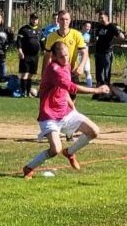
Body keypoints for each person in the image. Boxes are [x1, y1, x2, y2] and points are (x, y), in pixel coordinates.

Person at [21, 41, 109, 178]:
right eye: (62, 56)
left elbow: (63, 89)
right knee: (55, 149)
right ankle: (29, 168)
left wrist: (71, 106)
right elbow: (71, 87)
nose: (65, 58)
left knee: (94, 131)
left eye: (67, 55)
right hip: (49, 115)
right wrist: (96, 90)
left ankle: (70, 152)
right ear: (54, 57)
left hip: (66, 113)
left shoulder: (66, 65)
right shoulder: (54, 69)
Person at [42, 9, 88, 79]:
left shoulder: (77, 35)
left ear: (70, 20)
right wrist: (44, 75)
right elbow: (47, 56)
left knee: (72, 89)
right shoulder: (51, 37)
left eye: (67, 19)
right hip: (56, 72)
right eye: (62, 19)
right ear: (58, 21)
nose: (64, 22)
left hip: (72, 72)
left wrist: (81, 66)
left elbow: (84, 52)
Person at [92, 11, 125, 88]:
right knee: (99, 69)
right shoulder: (99, 26)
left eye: (102, 18)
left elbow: (122, 37)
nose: (101, 19)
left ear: (107, 17)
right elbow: (97, 36)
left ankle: (106, 84)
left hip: (107, 52)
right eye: (100, 18)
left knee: (106, 69)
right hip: (98, 51)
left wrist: (114, 42)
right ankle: (99, 84)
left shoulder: (112, 26)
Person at [16, 12, 43, 98]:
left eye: (36, 19)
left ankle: (28, 93)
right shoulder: (24, 29)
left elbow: (42, 42)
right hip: (25, 55)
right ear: (30, 19)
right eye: (33, 19)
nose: (34, 20)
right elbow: (19, 41)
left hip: (35, 56)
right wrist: (20, 51)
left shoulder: (40, 30)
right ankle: (22, 92)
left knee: (30, 75)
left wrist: (45, 51)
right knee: (25, 74)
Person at [80, 21, 94, 86]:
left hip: (85, 56)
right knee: (75, 72)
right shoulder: (78, 34)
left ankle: (90, 86)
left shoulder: (89, 36)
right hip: (77, 56)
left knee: (87, 71)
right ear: (83, 26)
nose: (88, 28)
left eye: (89, 27)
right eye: (87, 26)